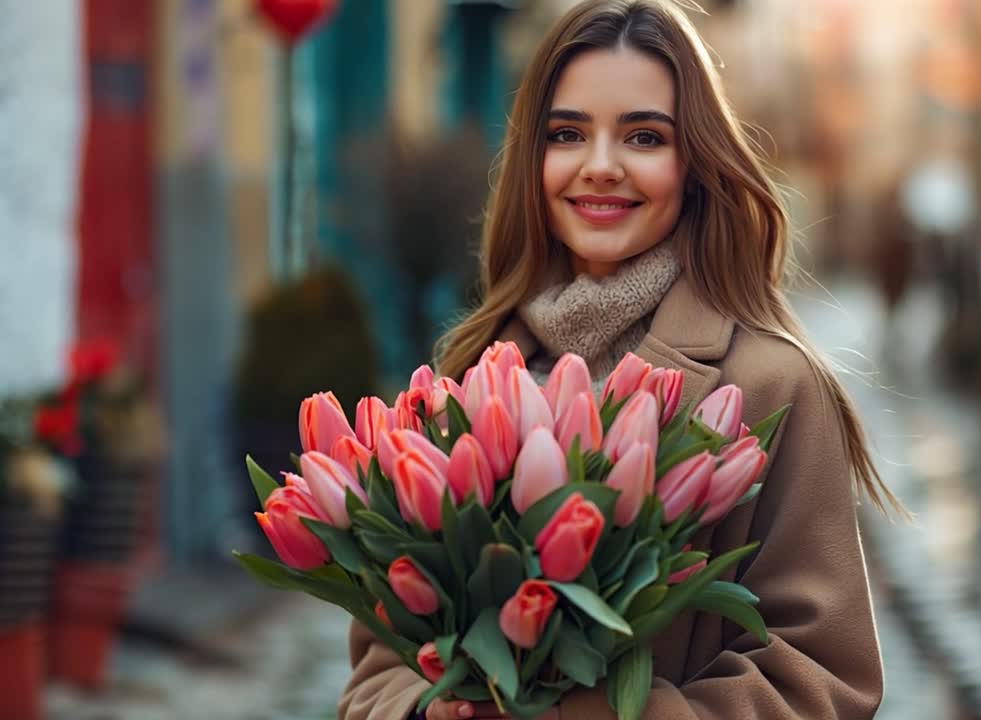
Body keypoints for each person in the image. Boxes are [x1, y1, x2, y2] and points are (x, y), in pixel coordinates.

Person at [338, 1, 901, 718]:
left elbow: (824, 674)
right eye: (567, 134)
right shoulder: (467, 376)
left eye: (643, 136)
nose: (600, 167)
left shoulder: (770, 385)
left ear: (693, 163)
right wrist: (429, 708)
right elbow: (377, 666)